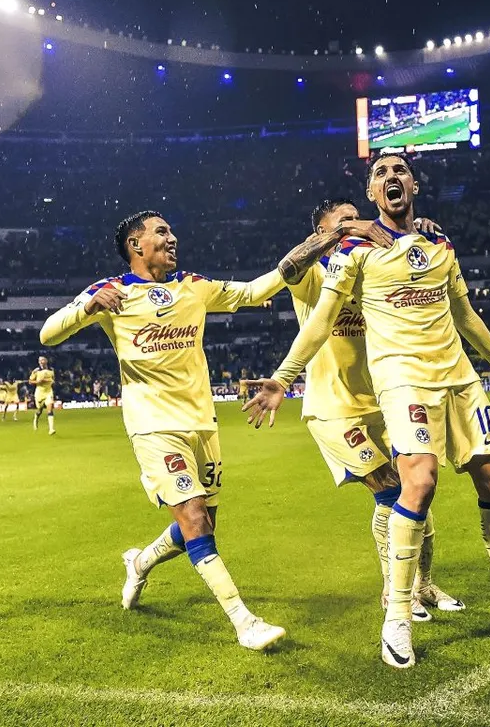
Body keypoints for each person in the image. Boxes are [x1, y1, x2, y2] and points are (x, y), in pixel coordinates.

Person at [243, 155, 490, 669]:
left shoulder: (439, 243)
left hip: (458, 376)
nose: (391, 176)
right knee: (418, 481)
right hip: (401, 379)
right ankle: (397, 615)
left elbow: (464, 314)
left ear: (414, 185)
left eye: (400, 170)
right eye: (380, 173)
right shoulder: (353, 250)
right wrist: (283, 376)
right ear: (372, 193)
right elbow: (320, 318)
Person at [39, 209, 390, 652]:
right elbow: (48, 334)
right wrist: (87, 308)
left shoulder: (194, 285)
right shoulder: (112, 292)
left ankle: (140, 563)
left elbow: (256, 290)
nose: (172, 238)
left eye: (171, 230)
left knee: (203, 523)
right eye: (162, 232)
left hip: (202, 423)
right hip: (152, 426)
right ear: (135, 244)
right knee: (193, 517)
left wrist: (317, 245)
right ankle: (244, 621)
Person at [279, 198, 463, 623]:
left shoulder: (367, 265)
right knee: (391, 491)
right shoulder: (315, 276)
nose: (358, 224)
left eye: (356, 217)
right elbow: (287, 267)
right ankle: (393, 592)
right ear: (322, 233)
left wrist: (416, 231)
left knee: (418, 492)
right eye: (343, 221)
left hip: (382, 402)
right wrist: (343, 233)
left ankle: (424, 584)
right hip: (333, 409)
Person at [29, 357, 56, 434]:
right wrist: (38, 382)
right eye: (39, 361)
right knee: (39, 410)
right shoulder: (36, 371)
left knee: (50, 409)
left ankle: (51, 429)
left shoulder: (51, 370)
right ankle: (36, 418)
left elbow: (53, 380)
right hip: (39, 393)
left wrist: (50, 381)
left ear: (46, 361)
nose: (41, 362)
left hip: (48, 392)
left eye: (42, 360)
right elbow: (30, 381)